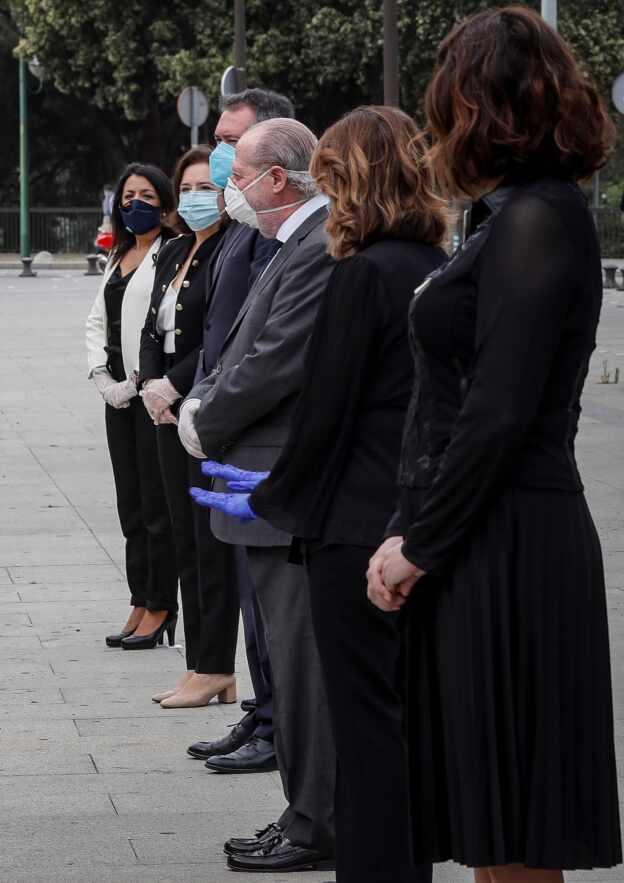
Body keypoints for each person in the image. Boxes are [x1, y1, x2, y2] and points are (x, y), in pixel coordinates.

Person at [366, 9, 621, 881]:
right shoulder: (511, 215)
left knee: (511, 829)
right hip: (488, 536)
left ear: (481, 105)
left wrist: (419, 542)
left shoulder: (537, 219)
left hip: (509, 541)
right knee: (491, 825)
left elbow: (499, 411)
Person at [199, 105, 447, 882]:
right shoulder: (428, 264)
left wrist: (273, 493)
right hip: (403, 509)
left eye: (331, 180)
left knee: (360, 723)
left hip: (346, 524)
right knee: (395, 722)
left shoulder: (359, 270)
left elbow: (326, 408)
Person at [178, 117, 337, 873]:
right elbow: (237, 342)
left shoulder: (315, 244)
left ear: (277, 178)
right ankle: (301, 809)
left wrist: (204, 418)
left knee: (303, 669)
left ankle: (316, 821)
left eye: (235, 172)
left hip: (279, 487)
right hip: (259, 487)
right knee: (283, 657)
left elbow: (276, 360)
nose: (225, 185)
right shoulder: (284, 243)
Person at [177, 88, 294, 772]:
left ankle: (278, 719)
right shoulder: (242, 225)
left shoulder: (280, 234)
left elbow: (264, 346)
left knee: (270, 595)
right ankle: (264, 709)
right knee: (250, 587)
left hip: (251, 432)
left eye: (232, 142)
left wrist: (210, 406)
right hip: (221, 423)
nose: (220, 153)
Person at [135, 145, 233, 707]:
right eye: (188, 189)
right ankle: (198, 664)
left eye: (207, 188)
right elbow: (153, 326)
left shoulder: (228, 251)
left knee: (207, 542)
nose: (197, 198)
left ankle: (214, 663)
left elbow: (216, 338)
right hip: (162, 409)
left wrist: (175, 385)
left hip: (199, 407)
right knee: (181, 537)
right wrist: (151, 384)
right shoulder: (174, 252)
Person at [84, 163, 179, 650]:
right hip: (117, 397)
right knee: (130, 504)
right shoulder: (119, 254)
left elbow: (161, 327)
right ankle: (139, 598)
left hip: (152, 396)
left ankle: (162, 604)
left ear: (164, 205)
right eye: (127, 196)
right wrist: (103, 379)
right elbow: (98, 320)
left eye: (145, 195)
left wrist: (138, 383)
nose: (134, 203)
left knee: (157, 505)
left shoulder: (173, 255)